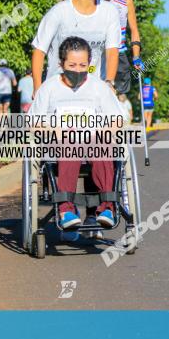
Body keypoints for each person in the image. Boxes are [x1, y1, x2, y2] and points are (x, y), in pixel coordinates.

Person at [27, 37, 125, 230]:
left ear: (89, 64)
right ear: (61, 64)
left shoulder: (98, 87)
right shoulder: (49, 88)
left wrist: (104, 130)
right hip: (60, 140)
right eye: (72, 64)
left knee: (103, 143)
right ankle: (66, 209)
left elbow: (118, 119)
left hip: (94, 138)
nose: (78, 70)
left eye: (83, 65)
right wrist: (55, 129)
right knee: (70, 141)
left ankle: (107, 207)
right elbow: (32, 122)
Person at [31, 0, 120, 97]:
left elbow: (112, 51)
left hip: (92, 93)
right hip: (58, 92)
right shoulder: (58, 12)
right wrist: (37, 88)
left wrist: (109, 82)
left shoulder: (110, 12)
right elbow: (39, 51)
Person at [101, 0, 143, 94]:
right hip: (99, 53)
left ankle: (119, 110)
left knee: (120, 92)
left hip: (119, 52)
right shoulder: (94, 0)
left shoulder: (126, 2)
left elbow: (134, 30)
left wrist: (136, 56)